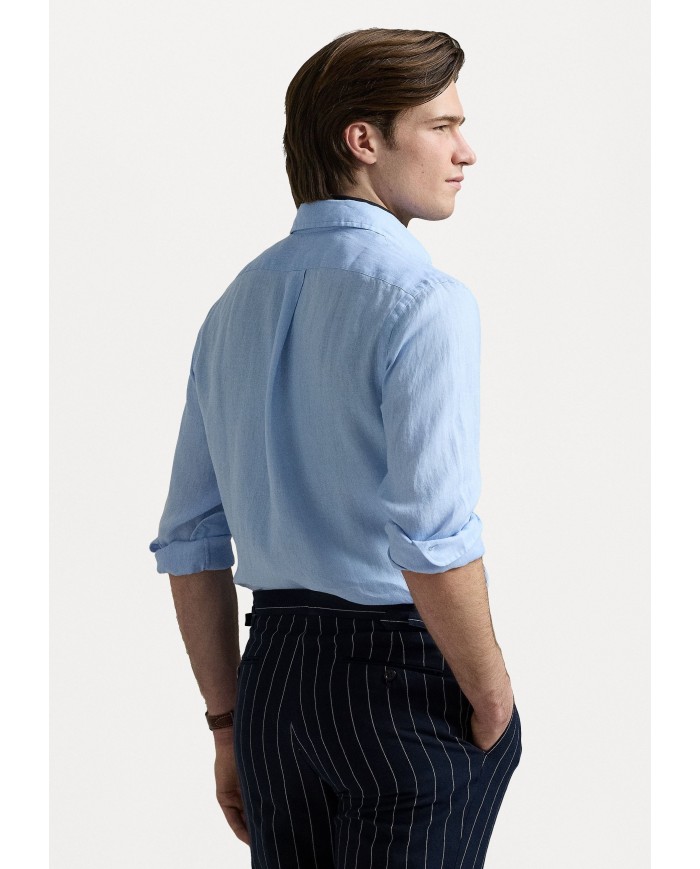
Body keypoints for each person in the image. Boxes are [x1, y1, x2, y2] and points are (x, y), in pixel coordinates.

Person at [149, 27, 521, 869]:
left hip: (275, 681)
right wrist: (494, 698)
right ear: (363, 140)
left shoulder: (233, 306)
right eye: (441, 126)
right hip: (401, 681)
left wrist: (228, 723)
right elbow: (432, 537)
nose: (465, 151)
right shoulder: (424, 301)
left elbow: (190, 540)